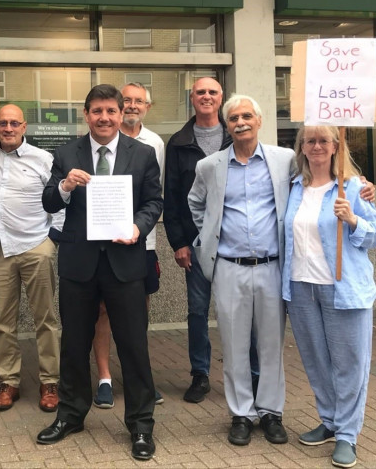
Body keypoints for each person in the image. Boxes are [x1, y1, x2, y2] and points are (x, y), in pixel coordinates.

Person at [36, 84, 163, 461]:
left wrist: (140, 227)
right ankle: (71, 415)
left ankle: (141, 425)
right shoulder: (65, 154)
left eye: (111, 110)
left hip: (125, 263)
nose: (104, 118)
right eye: (97, 111)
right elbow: (47, 200)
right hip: (80, 264)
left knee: (134, 346)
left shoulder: (142, 155)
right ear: (86, 114)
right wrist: (64, 185)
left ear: (122, 113)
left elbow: (154, 200)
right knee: (74, 344)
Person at [188, 94, 295, 447]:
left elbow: (315, 185)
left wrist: (360, 189)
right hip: (229, 268)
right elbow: (195, 203)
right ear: (226, 124)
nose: (240, 122)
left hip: (272, 267)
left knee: (270, 345)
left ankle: (270, 412)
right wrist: (209, 238)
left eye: (247, 115)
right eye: (233, 118)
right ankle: (241, 414)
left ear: (259, 121)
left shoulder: (285, 160)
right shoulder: (210, 166)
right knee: (233, 346)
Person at [282, 126, 376, 469]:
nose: (316, 146)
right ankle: (329, 420)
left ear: (337, 146)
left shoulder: (353, 187)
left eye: (324, 140)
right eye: (309, 140)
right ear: (302, 148)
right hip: (300, 287)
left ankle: (347, 436)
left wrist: (353, 219)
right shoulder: (293, 187)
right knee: (316, 361)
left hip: (344, 289)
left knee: (350, 365)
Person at [163, 77, 259, 404]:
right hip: (197, 244)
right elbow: (172, 198)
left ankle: (248, 374)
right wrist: (179, 242)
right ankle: (200, 374)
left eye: (212, 92)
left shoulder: (236, 136)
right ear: (192, 98)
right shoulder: (178, 143)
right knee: (197, 311)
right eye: (200, 91)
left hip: (235, 243)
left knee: (242, 312)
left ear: (221, 99)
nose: (206, 96)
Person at [0, 104, 63, 413]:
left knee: (46, 319)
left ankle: (50, 381)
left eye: (15, 123)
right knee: (2, 321)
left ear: (24, 126)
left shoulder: (43, 159)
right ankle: (8, 381)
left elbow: (61, 200)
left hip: (34, 246)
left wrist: (51, 240)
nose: (9, 128)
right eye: (3, 122)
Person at [92, 82, 164, 409]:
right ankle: (105, 378)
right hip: (97, 246)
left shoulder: (154, 145)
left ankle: (139, 378)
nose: (132, 106)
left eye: (138, 101)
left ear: (145, 107)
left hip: (141, 244)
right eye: (128, 100)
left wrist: (139, 228)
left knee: (138, 314)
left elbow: (155, 196)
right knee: (103, 312)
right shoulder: (91, 146)